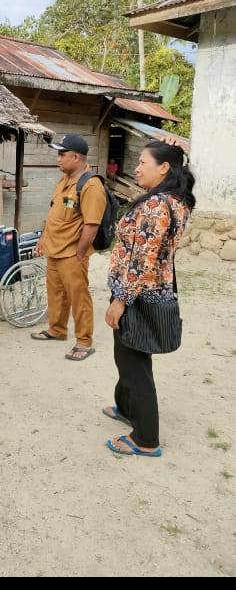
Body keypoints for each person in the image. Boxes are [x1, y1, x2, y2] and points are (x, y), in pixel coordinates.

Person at [104, 140, 196, 457]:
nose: (137, 167)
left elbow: (142, 259)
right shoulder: (176, 201)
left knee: (134, 365)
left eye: (143, 162)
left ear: (164, 168)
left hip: (137, 297)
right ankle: (126, 407)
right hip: (149, 292)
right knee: (126, 357)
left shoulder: (157, 205)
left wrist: (120, 300)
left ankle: (145, 439)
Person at [31, 134, 105, 359]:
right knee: (56, 294)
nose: (58, 158)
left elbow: (91, 226)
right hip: (54, 249)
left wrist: (80, 253)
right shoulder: (63, 181)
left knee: (78, 297)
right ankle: (57, 329)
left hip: (72, 253)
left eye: (62, 154)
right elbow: (54, 212)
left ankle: (83, 342)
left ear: (76, 156)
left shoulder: (91, 185)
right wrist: (43, 237)